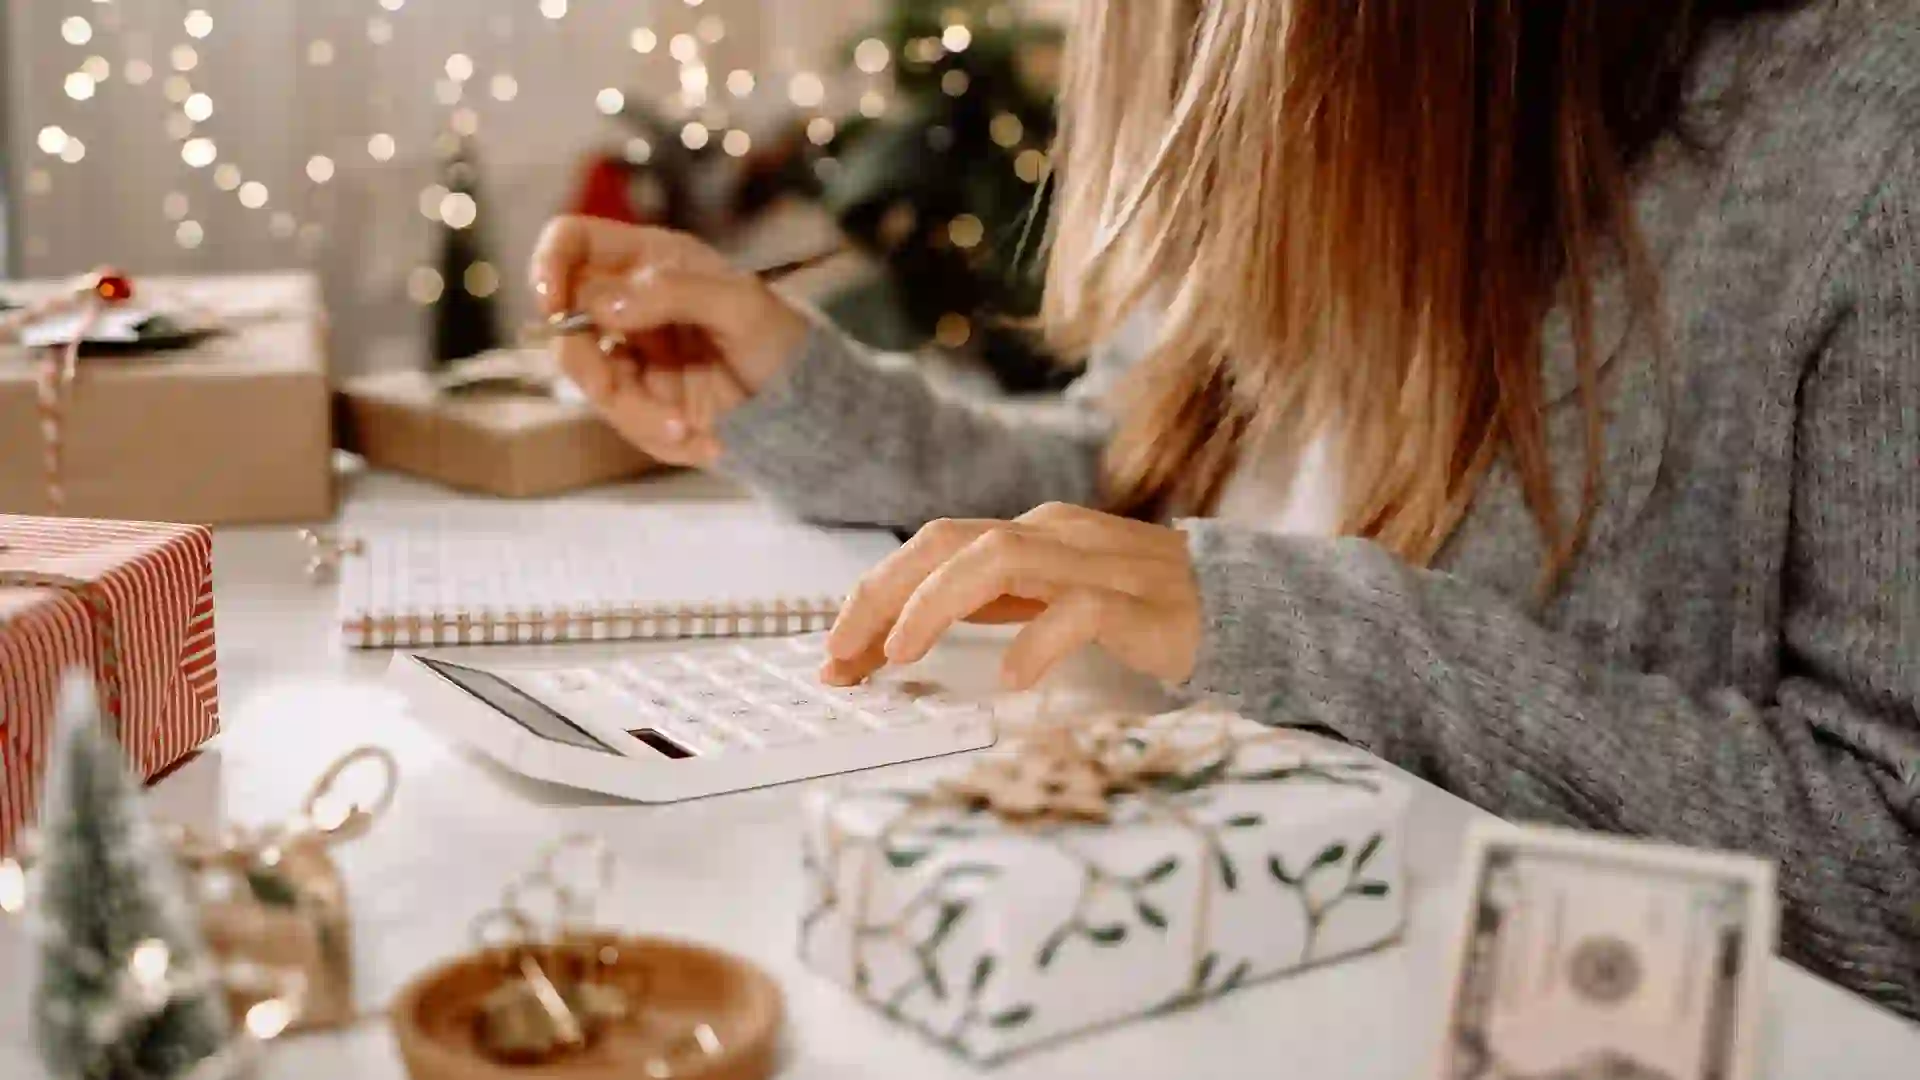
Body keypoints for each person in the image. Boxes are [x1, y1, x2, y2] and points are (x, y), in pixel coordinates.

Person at [532, 0, 1919, 1017]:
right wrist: (792, 386)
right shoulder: (1271, 85)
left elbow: (1890, 871)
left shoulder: (1856, 136)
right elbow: (1131, 488)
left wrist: (1299, 621)